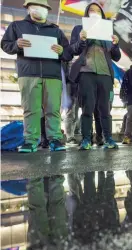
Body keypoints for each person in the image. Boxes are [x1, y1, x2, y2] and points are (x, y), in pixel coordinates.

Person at [1, 0, 72, 153]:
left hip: (52, 74)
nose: (38, 9)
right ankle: (31, 140)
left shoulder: (56, 30)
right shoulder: (17, 26)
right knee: (31, 108)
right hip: (28, 73)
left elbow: (68, 53)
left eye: (41, 7)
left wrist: (61, 51)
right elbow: (5, 45)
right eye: (34, 6)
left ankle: (55, 139)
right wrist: (16, 45)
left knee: (53, 108)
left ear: (47, 10)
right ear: (28, 9)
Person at [69, 3, 121, 150]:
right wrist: (82, 40)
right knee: (87, 108)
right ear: (86, 13)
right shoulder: (79, 29)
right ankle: (86, 139)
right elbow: (72, 49)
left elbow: (116, 57)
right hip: (86, 73)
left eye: (98, 11)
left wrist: (115, 44)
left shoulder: (108, 32)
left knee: (105, 109)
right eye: (92, 10)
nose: (95, 13)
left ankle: (108, 138)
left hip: (105, 74)